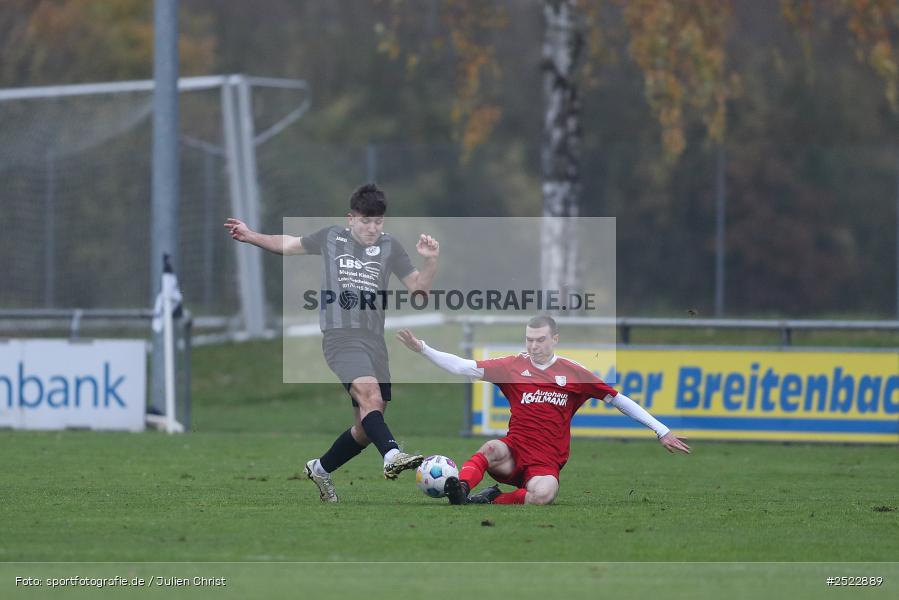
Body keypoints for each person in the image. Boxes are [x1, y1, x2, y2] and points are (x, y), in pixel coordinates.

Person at [225, 183, 440, 502]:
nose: (372, 227)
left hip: (374, 342)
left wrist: (431, 261)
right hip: (341, 337)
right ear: (350, 219)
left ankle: (320, 469)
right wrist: (251, 235)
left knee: (366, 427)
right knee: (369, 394)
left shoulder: (390, 247)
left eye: (378, 221)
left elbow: (419, 290)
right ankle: (392, 455)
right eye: (366, 220)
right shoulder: (331, 238)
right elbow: (288, 244)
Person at [396, 315, 690, 505]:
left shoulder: (574, 373)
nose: (533, 346)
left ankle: (488, 500)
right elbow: (463, 366)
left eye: (540, 340)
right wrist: (423, 348)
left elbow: (618, 399)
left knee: (545, 494)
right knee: (491, 448)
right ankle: (461, 489)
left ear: (554, 340)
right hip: (513, 454)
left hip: (545, 463)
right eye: (529, 340)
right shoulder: (512, 366)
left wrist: (661, 430)